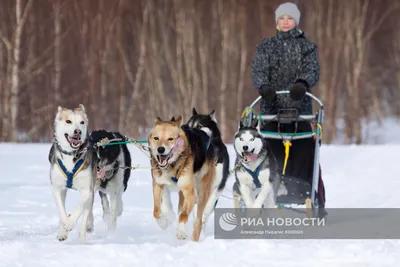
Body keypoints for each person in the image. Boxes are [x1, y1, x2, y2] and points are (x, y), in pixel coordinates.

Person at [251, 2, 326, 213]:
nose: (285, 22)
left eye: (289, 18)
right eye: (282, 18)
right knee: (269, 154)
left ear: (296, 21)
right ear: (276, 21)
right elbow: (258, 69)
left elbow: (312, 69)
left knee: (304, 153)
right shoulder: (265, 47)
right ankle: (266, 193)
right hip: (271, 110)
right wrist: (263, 86)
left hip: (299, 110)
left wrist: (303, 83)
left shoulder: (307, 47)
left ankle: (309, 195)